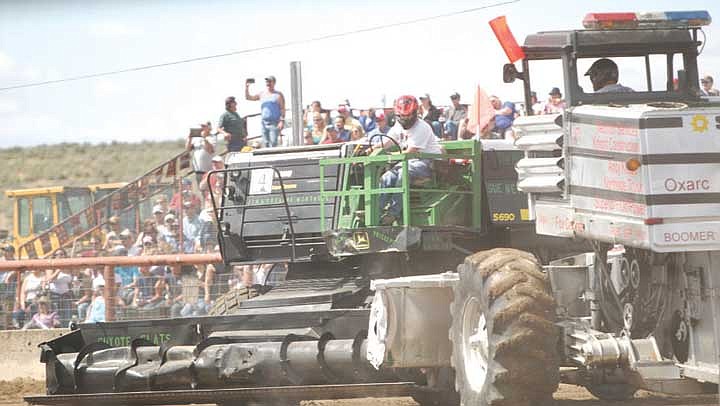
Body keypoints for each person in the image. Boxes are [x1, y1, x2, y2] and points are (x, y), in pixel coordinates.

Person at [376, 95, 443, 226]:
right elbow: (387, 141)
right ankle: (377, 211)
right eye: (402, 116)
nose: (405, 119)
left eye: (408, 116)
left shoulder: (422, 127)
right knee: (387, 177)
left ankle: (392, 214)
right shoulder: (398, 126)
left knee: (403, 173)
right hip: (408, 161)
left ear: (415, 113)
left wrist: (389, 156)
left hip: (427, 163)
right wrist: (372, 148)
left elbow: (412, 151)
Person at [245, 75, 286, 147]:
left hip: (274, 123)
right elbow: (249, 97)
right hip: (264, 123)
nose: (268, 83)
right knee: (266, 143)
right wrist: (246, 87)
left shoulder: (278, 95)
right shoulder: (262, 94)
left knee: (273, 142)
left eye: (270, 81)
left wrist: (282, 121)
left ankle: (274, 157)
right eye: (267, 82)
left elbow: (282, 108)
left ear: (274, 83)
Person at [45, 249, 73, 324]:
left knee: (67, 317)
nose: (60, 256)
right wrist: (58, 270)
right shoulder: (51, 267)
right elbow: (49, 280)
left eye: (62, 254)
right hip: (54, 295)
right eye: (58, 255)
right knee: (56, 318)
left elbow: (70, 282)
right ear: (54, 256)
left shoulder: (69, 266)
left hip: (66, 295)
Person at [186, 121, 217, 186]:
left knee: (209, 189)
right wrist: (189, 138)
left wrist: (204, 138)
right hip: (198, 170)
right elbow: (188, 149)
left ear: (209, 128)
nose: (202, 128)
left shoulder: (212, 137)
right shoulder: (196, 138)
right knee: (201, 189)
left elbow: (210, 150)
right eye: (201, 126)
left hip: (208, 170)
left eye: (204, 126)